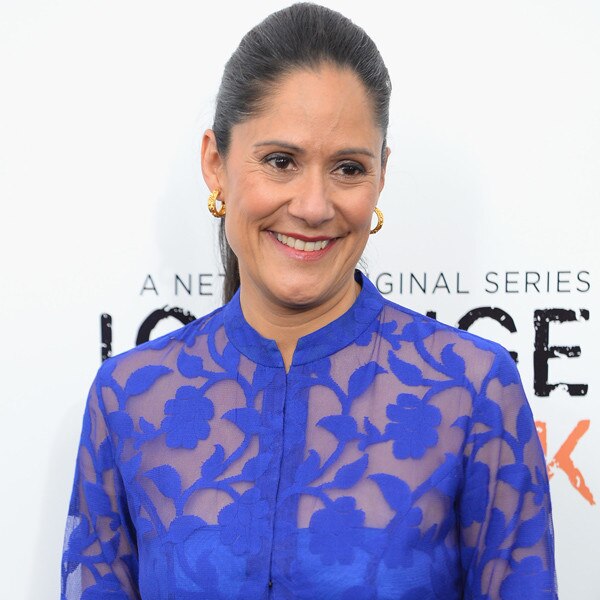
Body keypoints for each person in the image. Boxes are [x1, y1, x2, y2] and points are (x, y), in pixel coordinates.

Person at [61, 3, 557, 599]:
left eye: (347, 168)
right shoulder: (128, 398)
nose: (314, 205)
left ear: (380, 176)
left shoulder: (472, 392)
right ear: (216, 164)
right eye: (281, 161)